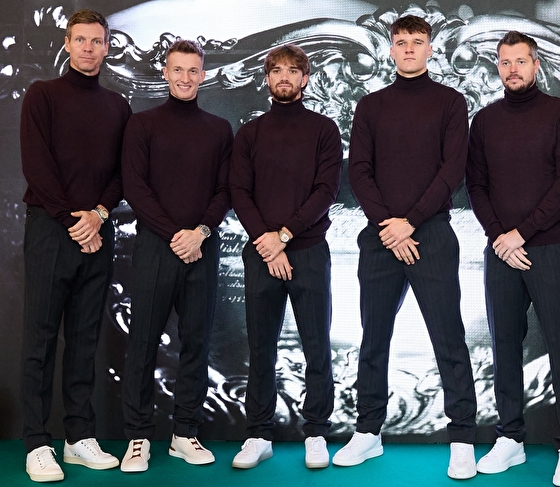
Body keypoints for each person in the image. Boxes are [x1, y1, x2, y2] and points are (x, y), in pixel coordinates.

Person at [331, 14, 478, 480]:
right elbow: (359, 171)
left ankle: (462, 438)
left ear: (430, 48)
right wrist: (388, 225)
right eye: (401, 41)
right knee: (373, 338)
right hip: (380, 238)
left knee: (449, 338)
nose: (409, 48)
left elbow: (453, 170)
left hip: (430, 234)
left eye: (417, 41)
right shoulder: (370, 105)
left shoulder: (451, 102)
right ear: (390, 49)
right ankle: (368, 432)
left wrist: (409, 222)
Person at [464, 31, 560, 487]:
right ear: (498, 67)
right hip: (500, 251)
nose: (512, 69)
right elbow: (475, 185)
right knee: (504, 346)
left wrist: (521, 233)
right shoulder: (485, 121)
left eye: (520, 61)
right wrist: (500, 236)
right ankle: (510, 438)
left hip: (549, 247)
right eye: (505, 62)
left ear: (536, 64)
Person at [19, 9, 131, 482]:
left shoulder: (118, 106)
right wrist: (74, 221)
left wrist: (98, 216)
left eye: (96, 40)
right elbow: (36, 165)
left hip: (96, 231)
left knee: (85, 339)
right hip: (52, 228)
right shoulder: (42, 95)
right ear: (67, 43)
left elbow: (123, 173)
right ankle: (36, 441)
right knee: (41, 338)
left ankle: (78, 436)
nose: (88, 48)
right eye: (80, 39)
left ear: (107, 47)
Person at [120, 39, 232, 473]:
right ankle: (137, 437)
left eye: (192, 70)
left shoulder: (219, 129)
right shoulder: (142, 124)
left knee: (196, 342)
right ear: (165, 72)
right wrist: (176, 235)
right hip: (156, 248)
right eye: (177, 69)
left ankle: (185, 434)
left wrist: (199, 233)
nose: (185, 77)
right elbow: (135, 187)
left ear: (203, 75)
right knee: (143, 342)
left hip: (202, 247)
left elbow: (225, 190)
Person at [228, 44, 342, 470]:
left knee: (316, 346)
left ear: (305, 79)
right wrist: (267, 241)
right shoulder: (250, 133)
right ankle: (258, 434)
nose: (284, 77)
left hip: (308, 252)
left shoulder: (324, 130)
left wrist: (284, 236)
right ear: (267, 79)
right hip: (261, 254)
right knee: (261, 348)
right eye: (276, 70)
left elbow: (326, 190)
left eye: (293, 70)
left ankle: (316, 433)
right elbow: (239, 191)